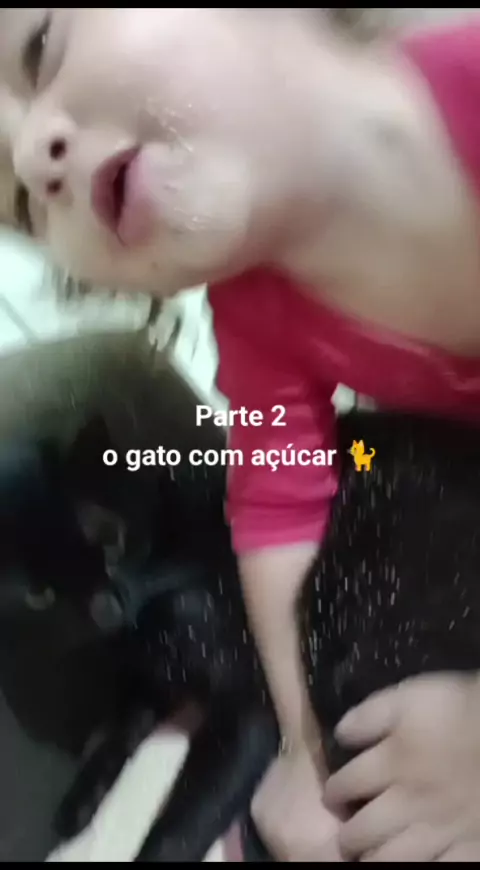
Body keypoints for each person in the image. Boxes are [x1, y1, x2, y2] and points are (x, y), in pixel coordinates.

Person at [2, 8, 480, 860]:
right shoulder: (257, 306)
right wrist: (304, 747)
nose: (33, 155)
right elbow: (279, 499)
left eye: (41, 48)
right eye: (19, 203)